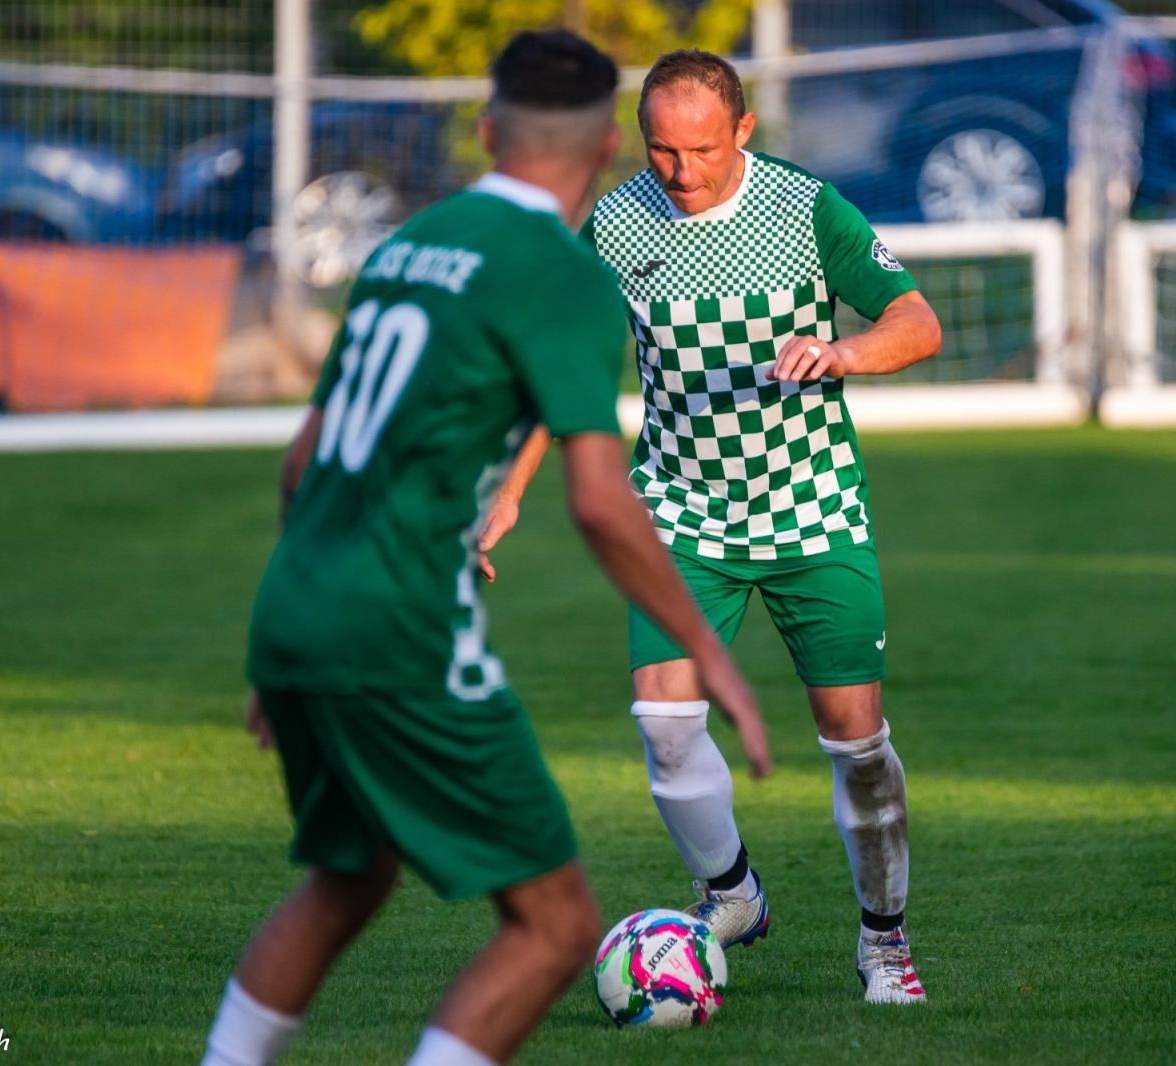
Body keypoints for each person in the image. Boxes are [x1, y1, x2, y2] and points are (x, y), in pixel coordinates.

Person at [200, 32, 770, 1066]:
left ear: (485, 128)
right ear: (607, 146)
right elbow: (602, 504)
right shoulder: (561, 275)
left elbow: (303, 463)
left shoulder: (408, 247)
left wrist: (282, 645)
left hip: (301, 608)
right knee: (553, 926)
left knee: (348, 878)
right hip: (405, 631)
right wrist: (712, 653)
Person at [479, 49, 941, 1006]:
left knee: (856, 744)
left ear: (743, 133)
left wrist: (844, 350)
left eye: (699, 150)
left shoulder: (808, 210)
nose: (678, 173)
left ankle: (884, 942)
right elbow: (562, 367)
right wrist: (511, 490)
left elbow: (918, 322)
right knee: (665, 722)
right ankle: (733, 893)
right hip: (683, 511)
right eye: (658, 151)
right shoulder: (616, 222)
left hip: (811, 506)